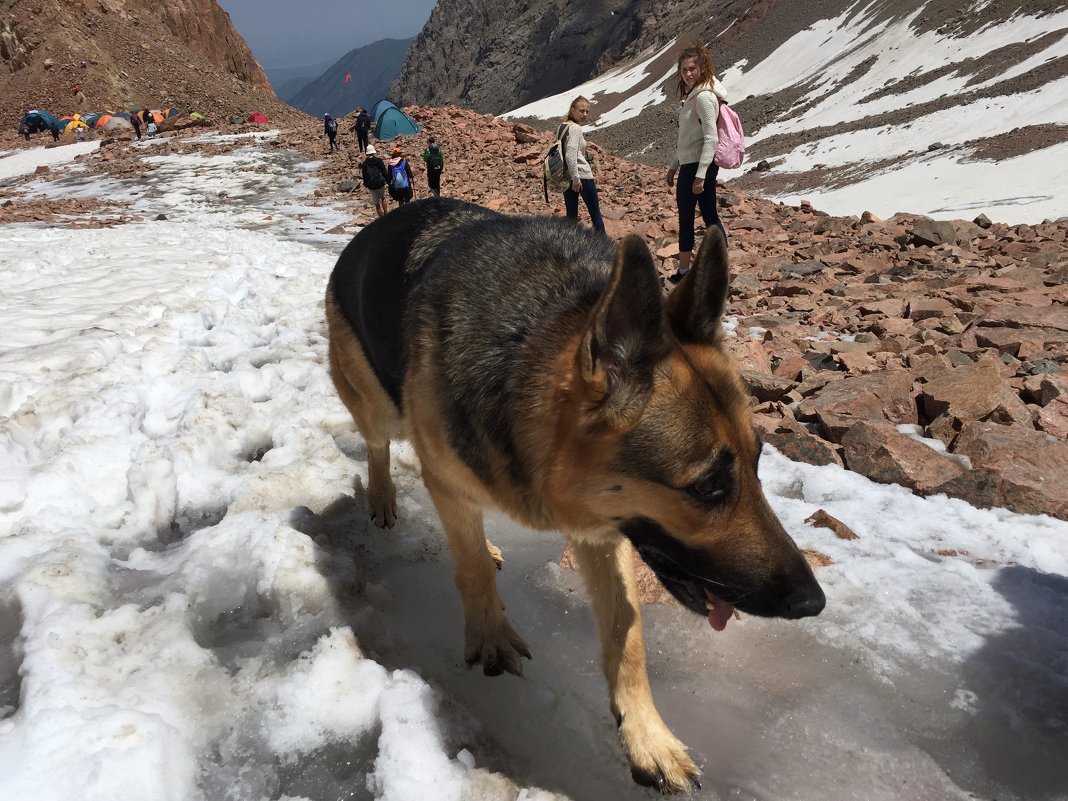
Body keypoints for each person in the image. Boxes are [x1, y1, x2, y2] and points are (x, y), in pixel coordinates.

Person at [666, 43, 729, 284]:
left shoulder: (703, 97)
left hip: (698, 166)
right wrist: (674, 165)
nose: (688, 73)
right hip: (692, 163)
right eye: (684, 70)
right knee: (709, 215)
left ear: (702, 69)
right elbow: (687, 140)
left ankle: (685, 273)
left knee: (691, 217)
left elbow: (711, 138)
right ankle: (712, 269)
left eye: (692, 69)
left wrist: (700, 175)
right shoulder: (696, 95)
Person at [559, 96, 605, 233]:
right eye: (581, 111)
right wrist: (576, 178)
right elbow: (570, 154)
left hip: (566, 175)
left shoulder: (562, 127)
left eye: (587, 111)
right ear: (573, 110)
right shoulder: (575, 128)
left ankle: (569, 249)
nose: (584, 114)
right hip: (581, 176)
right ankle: (605, 248)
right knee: (595, 213)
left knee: (571, 216)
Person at [360, 145, 389, 218]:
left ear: (367, 153)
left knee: (376, 202)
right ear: (374, 152)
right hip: (380, 183)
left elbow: (364, 176)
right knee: (383, 197)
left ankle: (381, 218)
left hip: (371, 186)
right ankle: (386, 215)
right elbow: (384, 171)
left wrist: (366, 185)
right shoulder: (379, 160)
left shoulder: (364, 163)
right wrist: (387, 180)